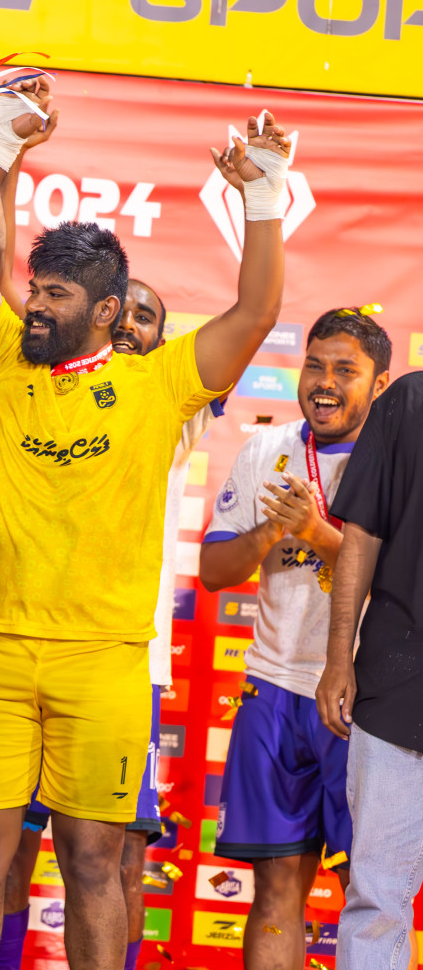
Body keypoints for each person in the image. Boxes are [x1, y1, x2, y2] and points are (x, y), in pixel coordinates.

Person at [0, 81, 289, 970]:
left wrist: (264, 197)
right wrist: (3, 145)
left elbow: (256, 314)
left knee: (94, 865)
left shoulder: (160, 382)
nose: (36, 306)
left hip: (106, 663)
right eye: (35, 288)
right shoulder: (2, 353)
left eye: (54, 296)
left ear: (104, 311)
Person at [0, 279, 229, 970]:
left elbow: (245, 325)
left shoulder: (168, 402)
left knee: (118, 860)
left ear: (163, 338)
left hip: (124, 668)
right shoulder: (36, 390)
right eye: (116, 307)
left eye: (146, 315)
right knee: (2, 849)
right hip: (19, 651)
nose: (128, 322)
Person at [199, 307, 390, 967]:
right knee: (276, 888)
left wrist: (318, 535)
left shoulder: (401, 463)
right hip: (275, 691)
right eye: (315, 364)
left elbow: (401, 586)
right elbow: (214, 571)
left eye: (346, 370)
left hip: (368, 700)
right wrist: (270, 534)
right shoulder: (264, 450)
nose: (325, 382)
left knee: (371, 886)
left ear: (380, 383)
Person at [316, 371, 423, 967]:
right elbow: (361, 534)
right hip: (400, 683)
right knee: (377, 895)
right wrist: (338, 657)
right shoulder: (410, 400)